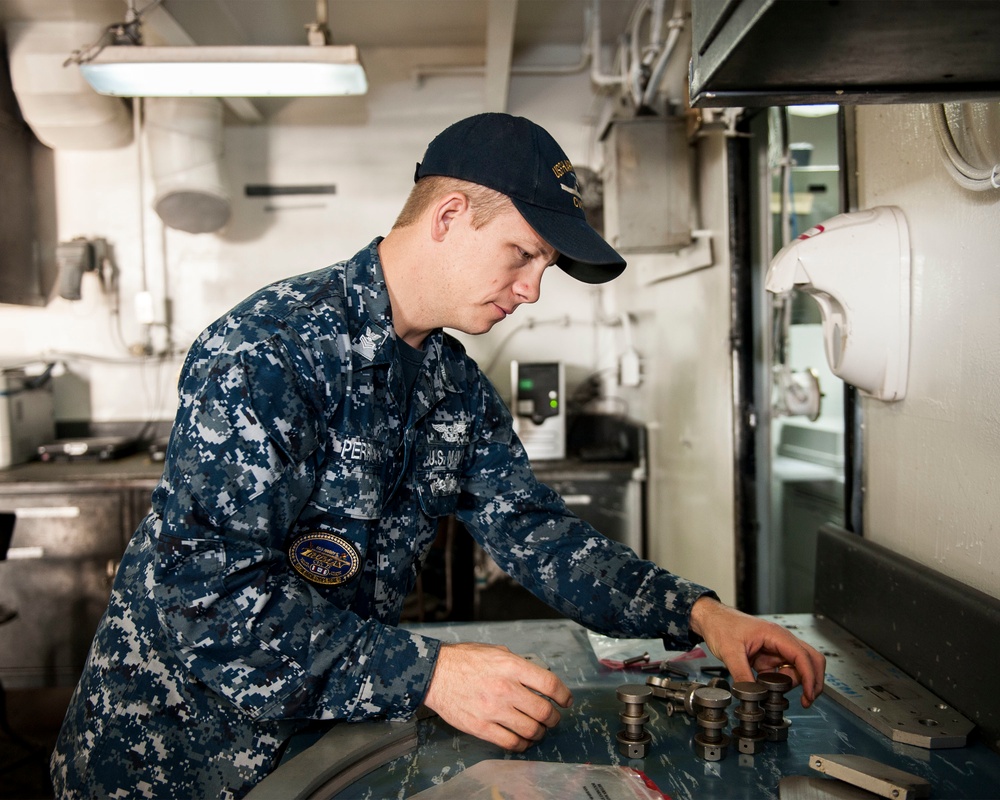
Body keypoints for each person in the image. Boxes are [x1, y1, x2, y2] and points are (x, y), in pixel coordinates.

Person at [50, 113, 825, 799]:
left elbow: (536, 534)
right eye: (523, 255)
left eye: (544, 268)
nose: (531, 290)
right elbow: (207, 603)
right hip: (172, 761)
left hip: (319, 749)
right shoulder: (269, 351)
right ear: (450, 215)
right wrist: (429, 674)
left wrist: (698, 612)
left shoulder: (451, 384)